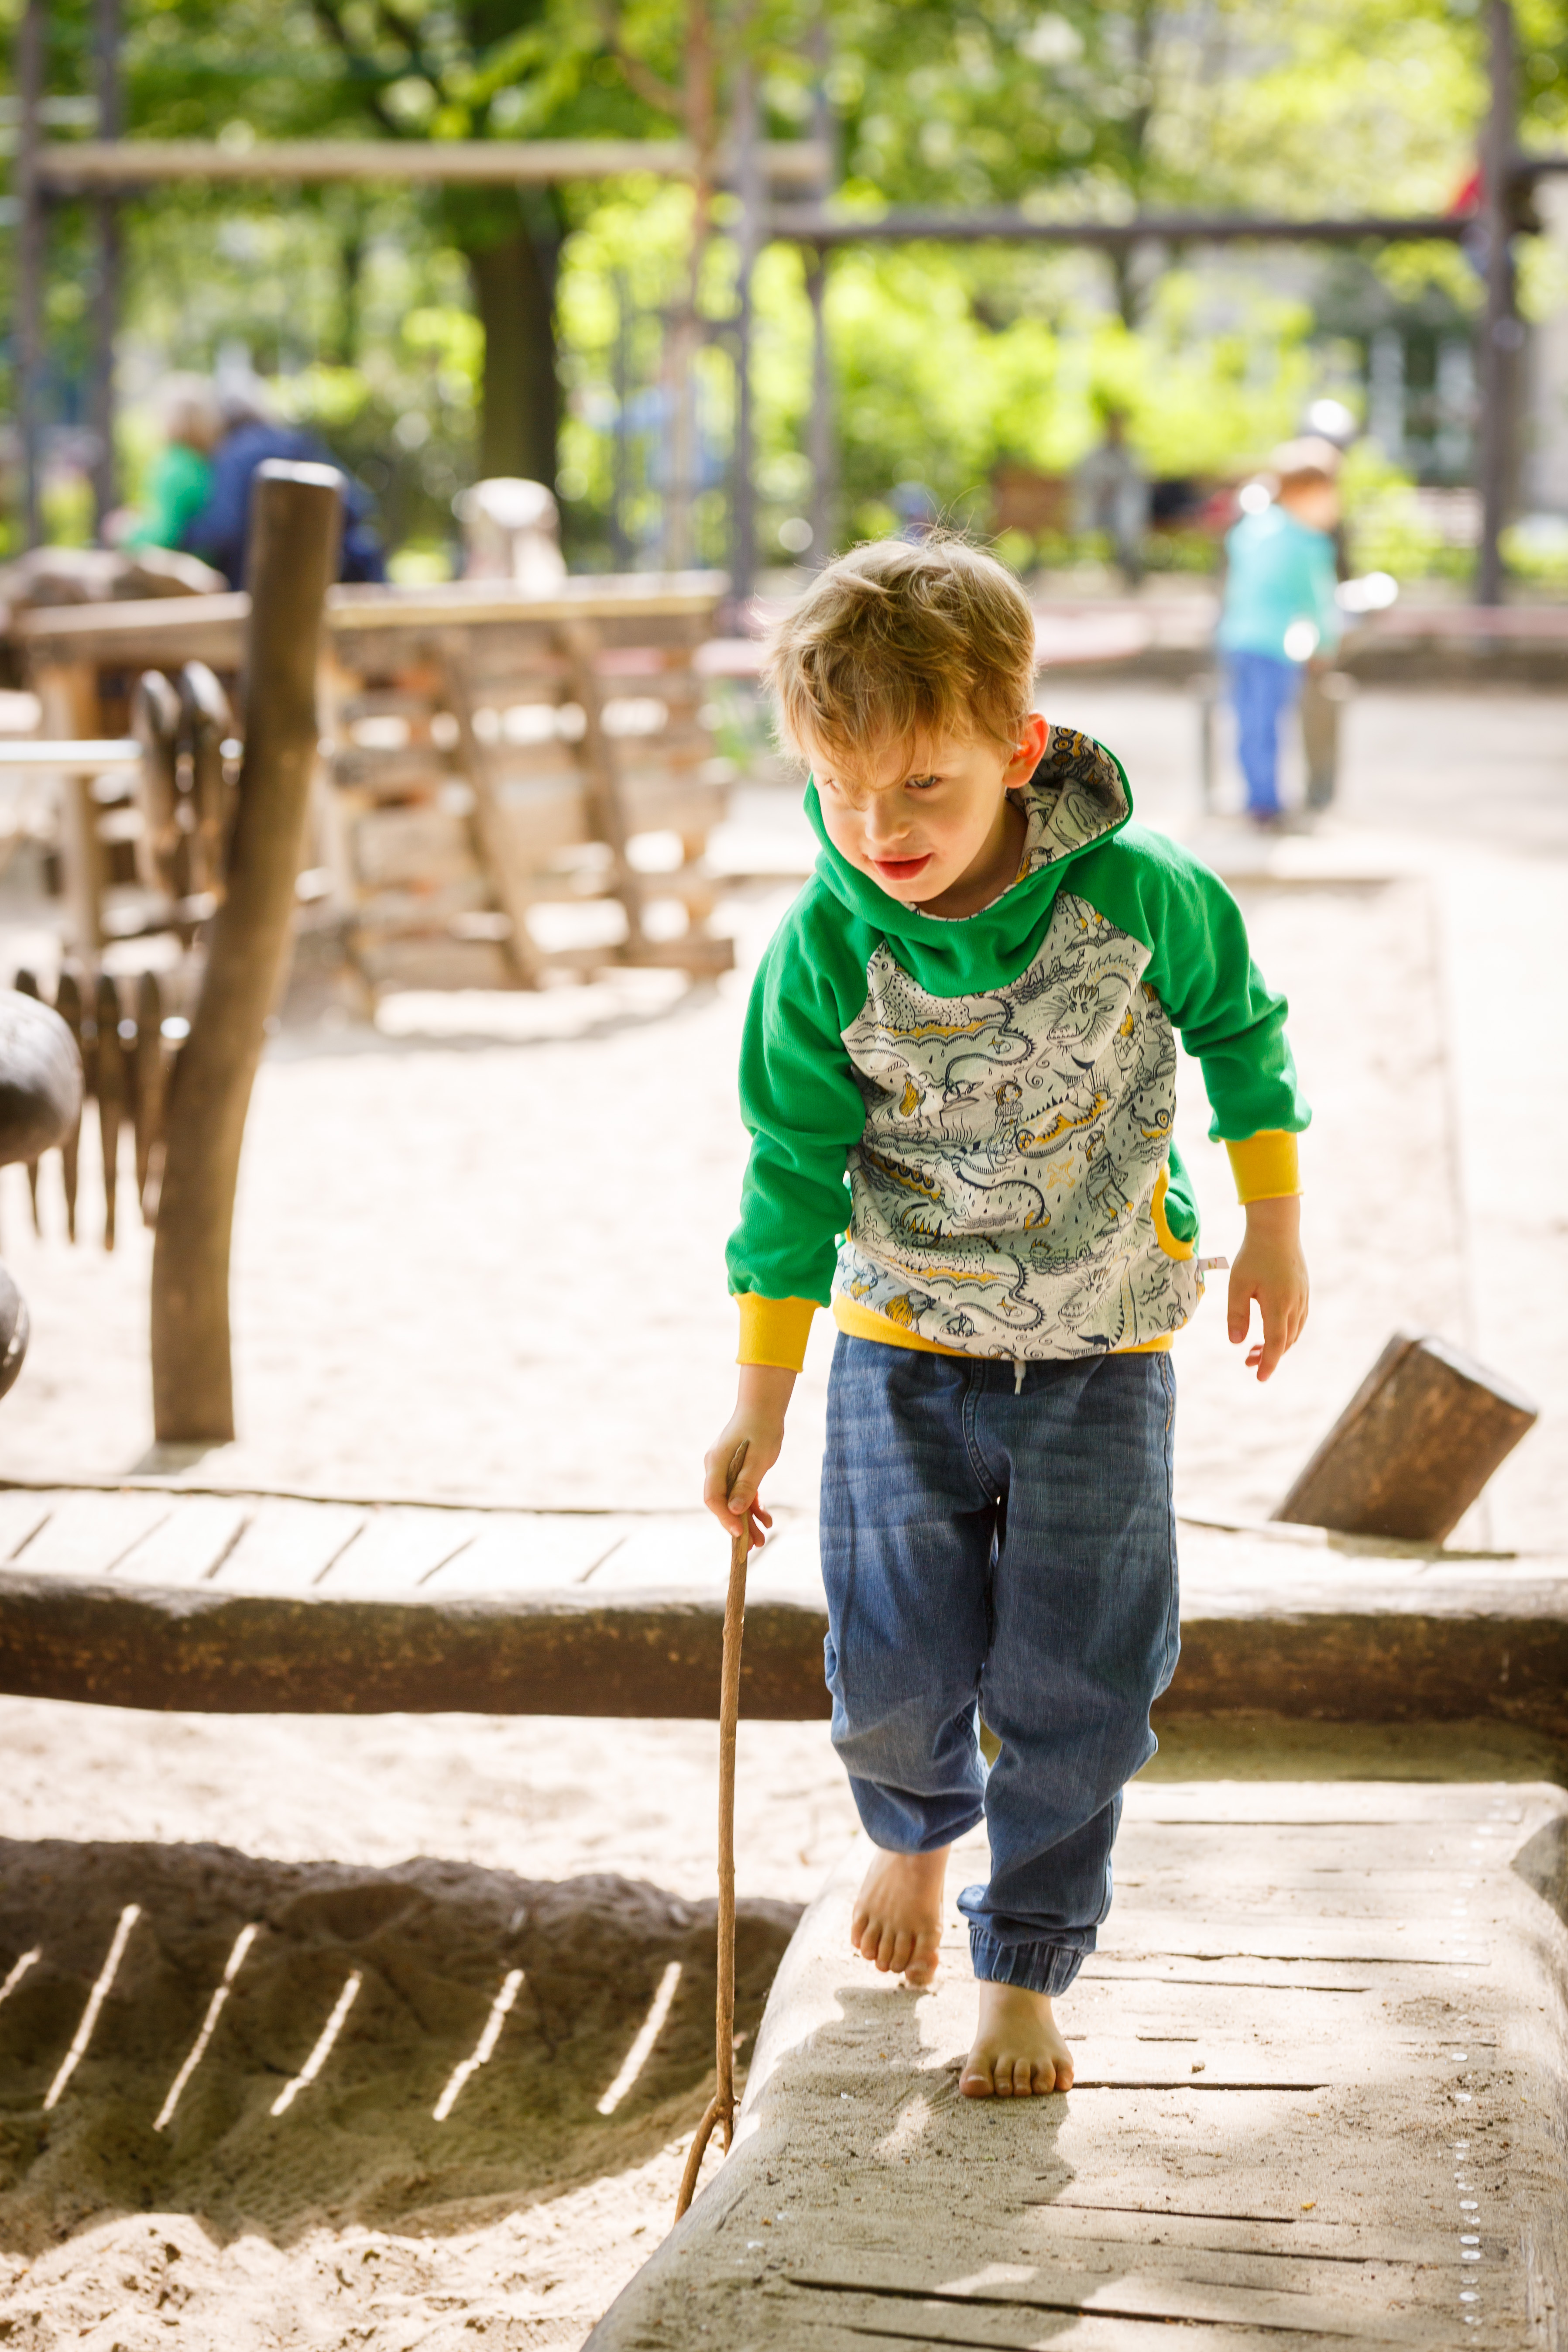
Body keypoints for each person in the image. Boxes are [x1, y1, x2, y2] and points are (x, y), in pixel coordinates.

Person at [703, 537, 1310, 2099]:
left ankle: (1023, 1956)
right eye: (844, 791)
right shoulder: (829, 942)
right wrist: (761, 1396)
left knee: (1079, 1676)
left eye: (920, 784)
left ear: (1014, 747)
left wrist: (1274, 1226)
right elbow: (789, 1169)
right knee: (896, 1668)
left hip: (1104, 1341)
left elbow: (1242, 1033)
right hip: (899, 1341)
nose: (879, 827)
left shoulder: (1136, 891)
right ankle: (909, 1827)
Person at [1217, 439, 1343, 825]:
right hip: (1274, 645)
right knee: (1269, 723)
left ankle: (1258, 797)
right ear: (1308, 492)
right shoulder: (1309, 543)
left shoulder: (1252, 528)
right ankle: (1268, 804)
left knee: (1249, 723)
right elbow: (1318, 603)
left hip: (1235, 638)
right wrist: (1325, 644)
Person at [184, 384, 387, 590]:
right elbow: (355, 504)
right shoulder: (294, 441)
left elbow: (223, 529)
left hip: (262, 591)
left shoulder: (233, 454)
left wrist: (181, 535)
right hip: (326, 579)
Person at [121, 376, 221, 554]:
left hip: (177, 570)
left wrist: (126, 533)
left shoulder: (171, 466)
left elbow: (165, 535)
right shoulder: (202, 464)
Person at [1074, 406, 1149, 588]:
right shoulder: (1093, 455)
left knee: (1127, 515)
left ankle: (1128, 562)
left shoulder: (1133, 455)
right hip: (1096, 509)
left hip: (1123, 513)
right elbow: (1083, 481)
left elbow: (1140, 486)